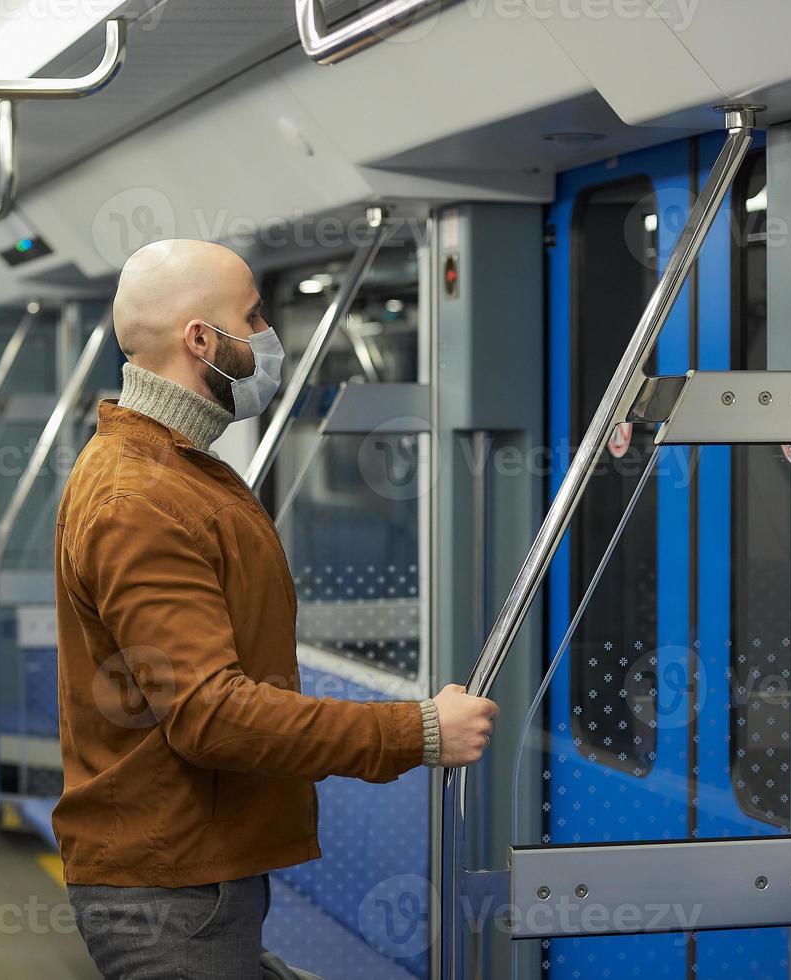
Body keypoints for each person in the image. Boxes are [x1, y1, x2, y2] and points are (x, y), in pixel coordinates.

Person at [53, 240, 499, 978]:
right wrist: (415, 731)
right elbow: (211, 714)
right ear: (202, 339)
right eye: (254, 315)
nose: (268, 336)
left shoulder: (177, 469)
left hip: (190, 869)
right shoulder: (143, 500)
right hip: (172, 886)